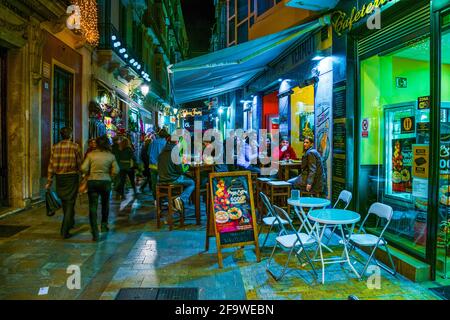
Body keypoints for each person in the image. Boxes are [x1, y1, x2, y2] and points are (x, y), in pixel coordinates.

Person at [81, 135, 119, 241]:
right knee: (105, 204)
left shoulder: (90, 155)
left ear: (97, 144)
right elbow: (116, 170)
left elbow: (83, 168)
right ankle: (103, 225)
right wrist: (110, 176)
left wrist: (88, 174)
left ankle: (94, 231)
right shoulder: (110, 156)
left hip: (92, 181)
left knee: (92, 206)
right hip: (105, 181)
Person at [46, 127, 82, 239]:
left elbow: (51, 165)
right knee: (70, 202)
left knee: (65, 201)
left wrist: (49, 181)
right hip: (71, 177)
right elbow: (79, 163)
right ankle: (64, 230)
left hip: (60, 178)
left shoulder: (55, 147)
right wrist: (84, 175)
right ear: (70, 135)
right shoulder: (75, 146)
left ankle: (70, 222)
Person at [158, 139, 195, 215]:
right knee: (192, 182)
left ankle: (174, 202)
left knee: (185, 181)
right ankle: (180, 199)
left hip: (161, 180)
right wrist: (186, 164)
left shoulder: (161, 152)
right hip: (172, 179)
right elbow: (181, 170)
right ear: (177, 142)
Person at [148, 127, 169, 201]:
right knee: (163, 182)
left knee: (154, 184)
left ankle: (155, 199)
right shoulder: (165, 143)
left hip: (152, 166)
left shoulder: (153, 142)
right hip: (162, 167)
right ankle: (162, 197)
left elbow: (148, 153)